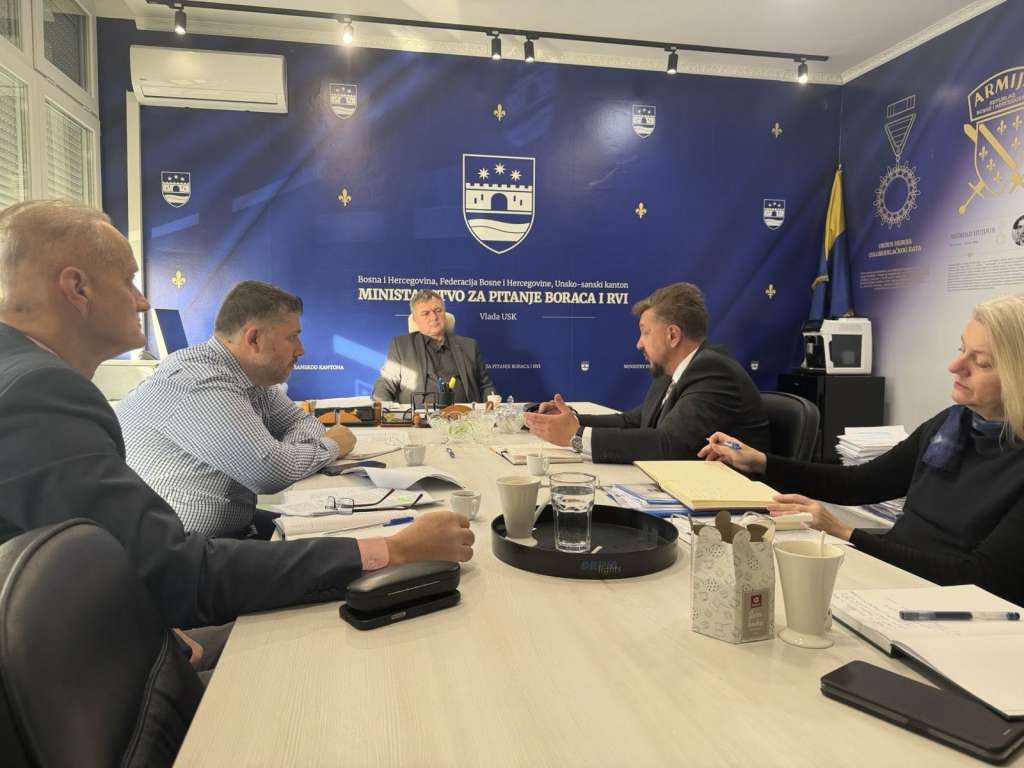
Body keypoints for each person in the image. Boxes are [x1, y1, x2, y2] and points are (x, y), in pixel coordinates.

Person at [0, 200, 474, 634]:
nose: (142, 301)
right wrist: (393, 551)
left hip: (195, 563)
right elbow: (182, 568)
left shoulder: (31, 377)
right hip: (182, 580)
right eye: (128, 281)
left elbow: (296, 430)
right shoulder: (42, 392)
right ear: (78, 288)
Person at [700, 295, 1024, 606]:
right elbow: (860, 483)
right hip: (891, 577)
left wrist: (844, 531)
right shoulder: (952, 424)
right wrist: (760, 461)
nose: (955, 366)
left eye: (981, 362)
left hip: (953, 606)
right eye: (961, 350)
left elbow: (978, 577)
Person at [118, 280, 355, 539]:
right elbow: (269, 472)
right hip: (182, 547)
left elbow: (301, 422)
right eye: (292, 337)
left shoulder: (251, 379)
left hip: (228, 531)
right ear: (254, 339)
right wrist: (332, 446)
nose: (301, 349)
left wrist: (289, 453)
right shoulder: (201, 382)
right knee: (332, 551)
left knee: (336, 532)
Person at [524, 282, 770, 463]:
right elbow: (633, 421)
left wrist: (576, 436)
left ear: (672, 335)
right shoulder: (672, 372)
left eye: (645, 332)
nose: (639, 344)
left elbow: (669, 445)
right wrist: (570, 419)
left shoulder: (713, 372)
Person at [372, 289, 497, 404]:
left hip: (464, 416)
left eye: (438, 311)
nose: (434, 317)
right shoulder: (401, 346)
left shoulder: (469, 346)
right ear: (415, 319)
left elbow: (485, 385)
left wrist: (491, 402)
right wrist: (383, 408)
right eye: (426, 313)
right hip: (418, 417)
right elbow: (385, 383)